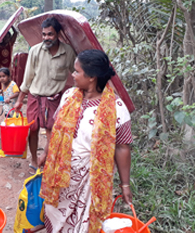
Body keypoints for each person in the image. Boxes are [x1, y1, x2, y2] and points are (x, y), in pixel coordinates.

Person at [40, 49, 133, 233]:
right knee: (55, 215)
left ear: (91, 77)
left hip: (91, 182)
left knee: (83, 224)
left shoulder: (116, 109)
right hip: (60, 177)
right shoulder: (68, 97)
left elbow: (122, 148)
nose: (72, 75)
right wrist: (46, 152)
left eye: (77, 71)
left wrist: (125, 185)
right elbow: (56, 130)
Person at [14, 17, 76, 173]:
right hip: (35, 96)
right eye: (44, 34)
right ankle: (34, 159)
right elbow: (27, 78)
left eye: (50, 34)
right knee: (32, 129)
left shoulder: (67, 52)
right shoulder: (35, 51)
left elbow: (76, 74)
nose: (46, 38)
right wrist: (20, 100)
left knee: (53, 131)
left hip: (55, 98)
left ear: (58, 34)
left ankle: (49, 159)